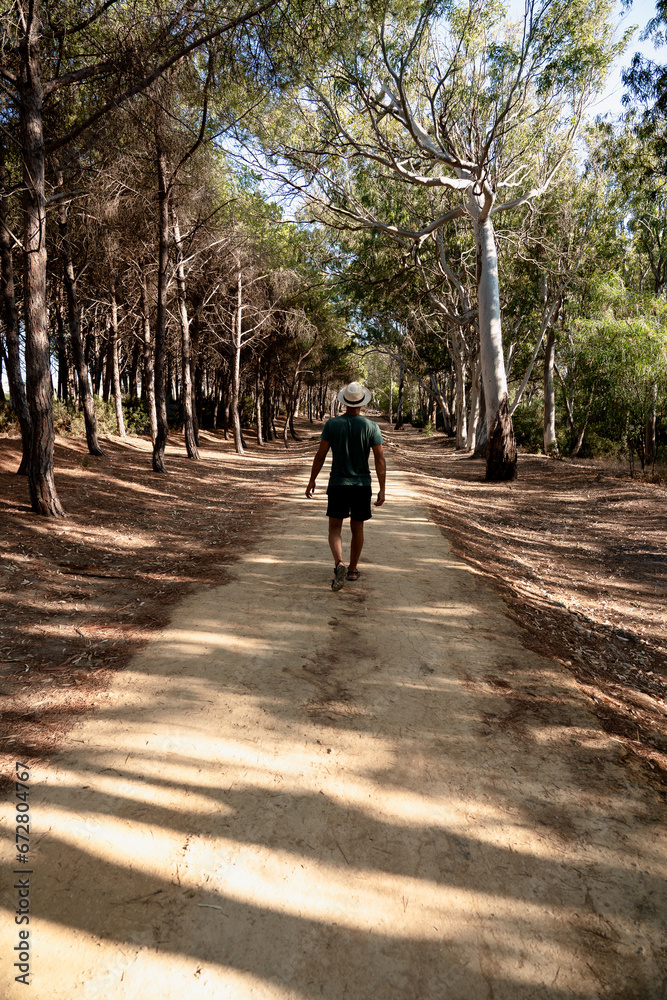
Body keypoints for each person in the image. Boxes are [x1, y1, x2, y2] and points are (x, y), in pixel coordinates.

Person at [305, 381, 386, 591]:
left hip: (338, 483)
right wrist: (382, 488)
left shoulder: (332, 425)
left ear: (344, 402)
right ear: (362, 403)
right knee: (357, 527)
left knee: (334, 528)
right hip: (361, 485)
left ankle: (339, 563)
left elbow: (320, 456)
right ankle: (352, 570)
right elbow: (379, 460)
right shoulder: (371, 427)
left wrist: (312, 479)